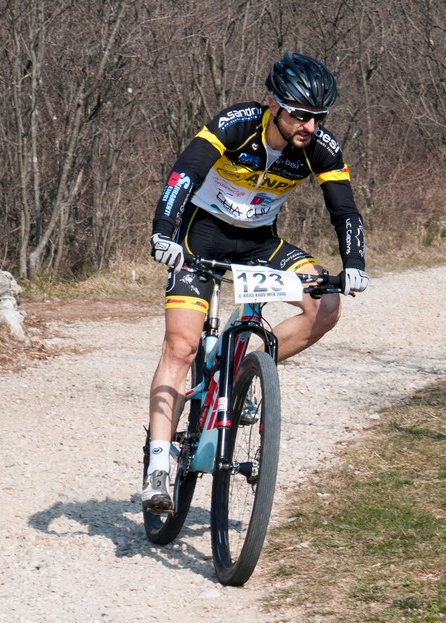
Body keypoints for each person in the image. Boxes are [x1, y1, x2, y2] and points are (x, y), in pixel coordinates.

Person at [143, 52, 369, 510]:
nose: (310, 126)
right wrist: (163, 232)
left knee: (325, 306)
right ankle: (158, 465)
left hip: (259, 244)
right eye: (300, 115)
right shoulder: (237, 123)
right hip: (200, 236)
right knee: (181, 348)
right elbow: (184, 174)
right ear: (274, 105)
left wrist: (355, 261)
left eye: (319, 117)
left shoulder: (320, 148)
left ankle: (243, 373)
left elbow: (344, 211)